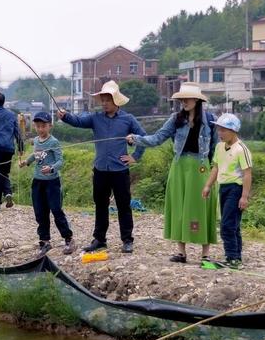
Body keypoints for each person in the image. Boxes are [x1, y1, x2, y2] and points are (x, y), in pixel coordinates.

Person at [127, 82, 217, 263]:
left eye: (187, 98)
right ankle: (181, 252)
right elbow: (157, 138)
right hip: (179, 167)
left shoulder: (210, 120)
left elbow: (215, 148)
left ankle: (205, 254)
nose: (184, 101)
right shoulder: (176, 119)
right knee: (179, 206)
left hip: (200, 167)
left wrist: (212, 169)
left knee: (201, 206)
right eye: (181, 99)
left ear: (197, 100)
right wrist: (136, 139)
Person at [58, 80, 146, 254]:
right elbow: (78, 121)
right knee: (100, 205)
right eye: (103, 99)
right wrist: (65, 116)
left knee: (123, 205)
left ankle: (127, 240)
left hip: (120, 170)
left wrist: (135, 156)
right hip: (100, 170)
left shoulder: (128, 119)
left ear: (116, 101)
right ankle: (99, 239)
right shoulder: (95, 118)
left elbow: (143, 137)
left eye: (108, 99)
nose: (104, 103)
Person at [19, 112, 75, 256]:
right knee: (40, 212)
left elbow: (60, 161)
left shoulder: (54, 142)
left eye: (43, 126)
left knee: (56, 210)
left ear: (50, 126)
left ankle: (68, 239)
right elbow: (36, 154)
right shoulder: (37, 140)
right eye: (37, 126)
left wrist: (51, 168)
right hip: (38, 182)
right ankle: (45, 242)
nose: (40, 129)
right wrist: (27, 161)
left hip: (52, 182)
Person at [202, 114, 252, 270]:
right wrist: (208, 186)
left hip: (236, 189)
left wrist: (244, 196)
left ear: (233, 130)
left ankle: (232, 258)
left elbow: (247, 174)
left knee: (227, 225)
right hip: (223, 188)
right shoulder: (219, 147)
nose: (220, 133)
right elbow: (215, 168)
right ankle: (236, 256)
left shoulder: (241, 149)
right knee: (232, 225)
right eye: (219, 130)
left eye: (223, 130)